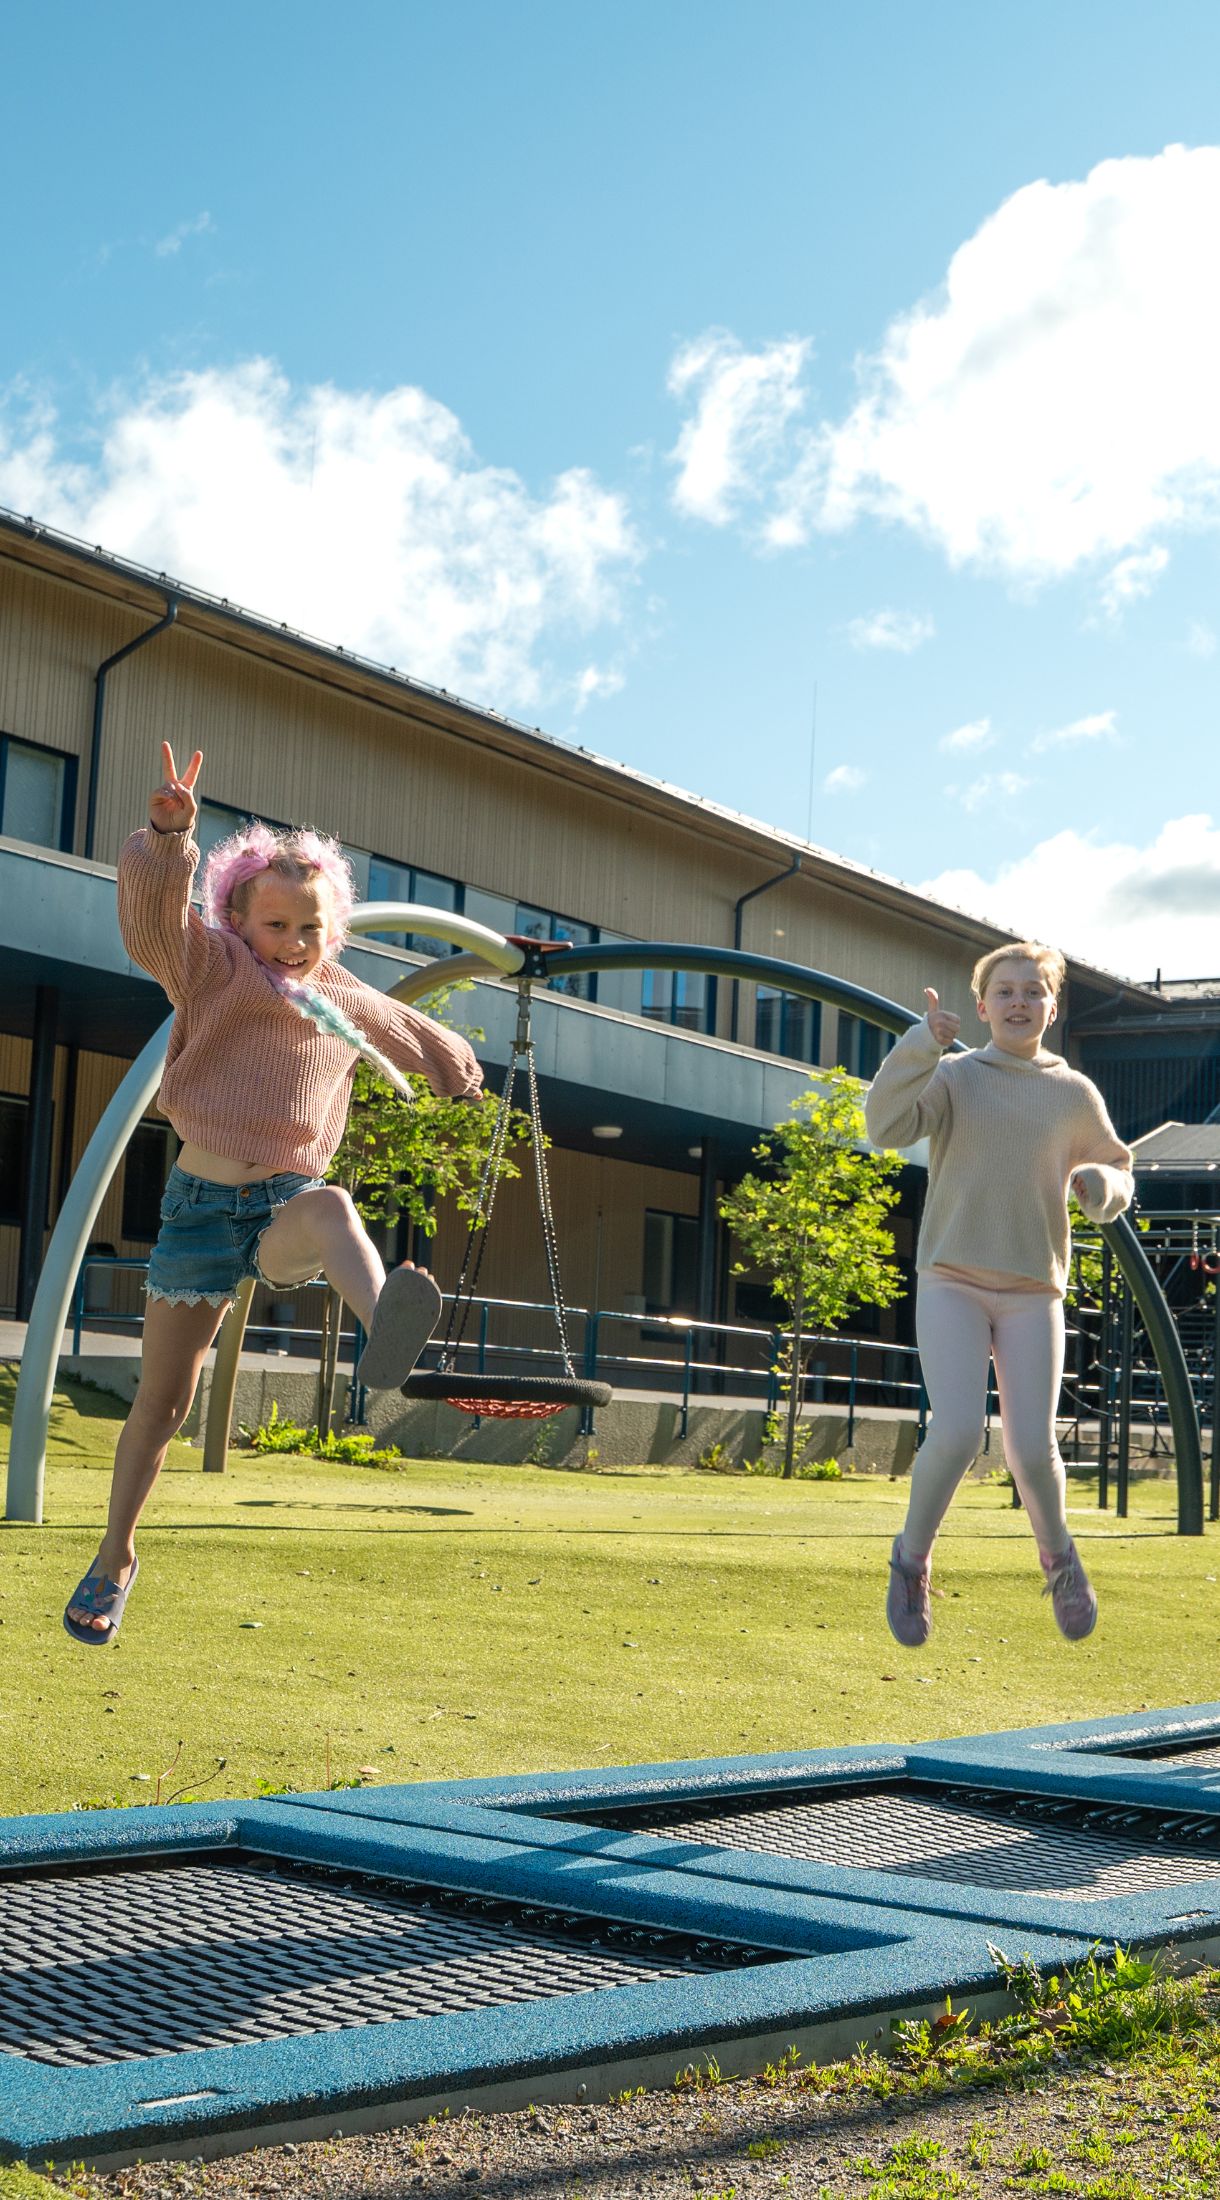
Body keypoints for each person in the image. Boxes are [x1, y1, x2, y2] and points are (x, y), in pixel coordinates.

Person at [65, 742, 483, 1646]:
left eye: (310, 930)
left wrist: (452, 1063)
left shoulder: (338, 990)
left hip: (280, 1209)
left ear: (329, 932)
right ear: (238, 917)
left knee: (333, 1209)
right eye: (277, 927)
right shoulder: (207, 965)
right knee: (163, 1404)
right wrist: (169, 839)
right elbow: (148, 926)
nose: (294, 946)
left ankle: (388, 1337)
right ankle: (114, 1557)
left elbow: (407, 1028)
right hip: (196, 1212)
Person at [864, 941, 1133, 1648]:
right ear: (981, 1007)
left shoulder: (1073, 1093)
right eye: (1004, 992)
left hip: (1032, 1288)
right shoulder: (955, 1076)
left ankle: (1060, 1560)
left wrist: (1101, 1187)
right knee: (954, 1433)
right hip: (952, 1278)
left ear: (1052, 1005)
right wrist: (920, 1045)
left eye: (1032, 991)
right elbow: (884, 1126)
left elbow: (1116, 1168)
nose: (1019, 1002)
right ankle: (910, 1561)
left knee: (1032, 1449)